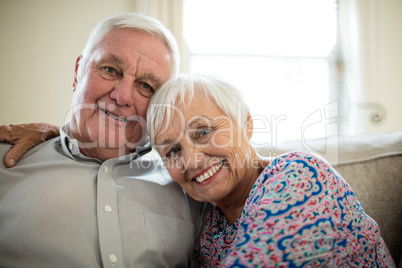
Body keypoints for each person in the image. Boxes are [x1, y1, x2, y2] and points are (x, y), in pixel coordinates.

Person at [0, 13, 203, 267]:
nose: (122, 96)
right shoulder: (7, 162)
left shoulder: (190, 187)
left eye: (146, 87)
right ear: (78, 72)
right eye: (110, 70)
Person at [145, 74, 395, 267]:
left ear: (246, 124)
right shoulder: (212, 226)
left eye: (203, 132)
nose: (191, 160)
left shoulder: (299, 175)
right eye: (173, 151)